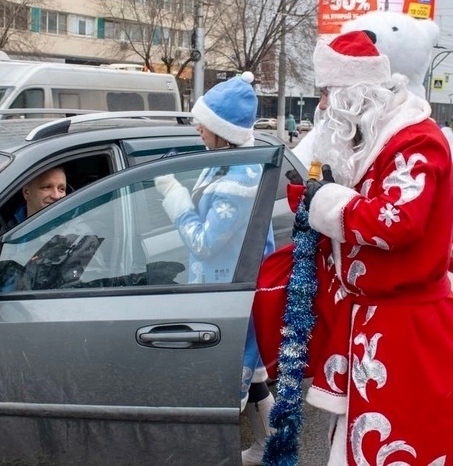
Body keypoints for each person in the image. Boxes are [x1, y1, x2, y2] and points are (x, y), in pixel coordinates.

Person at [287, 30, 452, 464]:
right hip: (375, 321)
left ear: (353, 96)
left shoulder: (416, 140)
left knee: (403, 438)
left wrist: (325, 201)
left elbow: (397, 222)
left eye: (326, 93)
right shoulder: (377, 141)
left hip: (407, 330)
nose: (322, 106)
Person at [155, 72, 275, 466]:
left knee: (223, 394)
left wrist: (171, 193)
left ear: (222, 130)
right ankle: (270, 448)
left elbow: (204, 243)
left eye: (202, 121)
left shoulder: (237, 180)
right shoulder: (226, 163)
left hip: (230, 299)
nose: (196, 127)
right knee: (252, 380)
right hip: (229, 293)